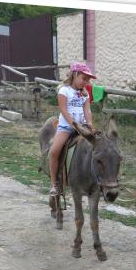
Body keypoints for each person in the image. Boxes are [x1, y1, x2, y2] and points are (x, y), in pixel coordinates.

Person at [48, 62, 96, 196]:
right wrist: (75, 125)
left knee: (98, 146)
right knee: (54, 151)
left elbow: (87, 109)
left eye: (88, 80)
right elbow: (63, 110)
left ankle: (93, 178)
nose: (86, 82)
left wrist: (90, 123)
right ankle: (53, 184)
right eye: (84, 78)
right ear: (75, 75)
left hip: (82, 127)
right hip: (66, 127)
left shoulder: (85, 94)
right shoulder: (64, 90)